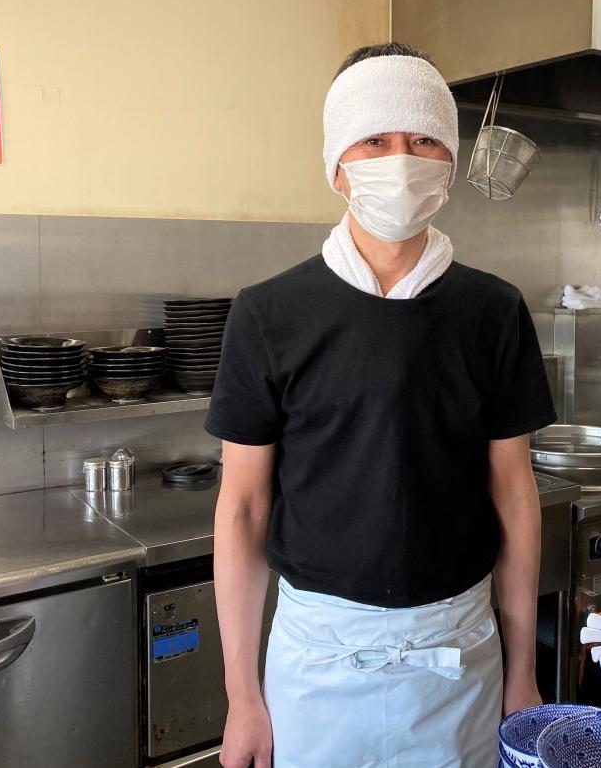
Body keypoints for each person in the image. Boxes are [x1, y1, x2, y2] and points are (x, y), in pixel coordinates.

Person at [206, 42, 557, 768]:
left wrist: (522, 671)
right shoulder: (269, 313)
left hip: (459, 657)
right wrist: (242, 697)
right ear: (337, 166)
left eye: (423, 139)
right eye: (375, 141)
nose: (401, 160)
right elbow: (241, 508)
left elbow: (515, 494)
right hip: (316, 662)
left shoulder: (493, 311)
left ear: (450, 164)